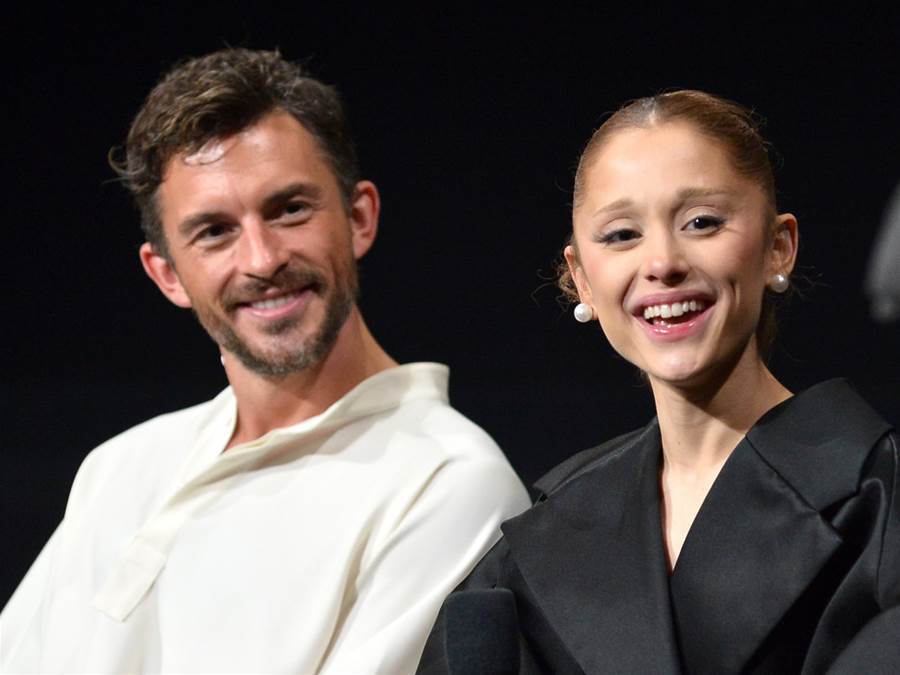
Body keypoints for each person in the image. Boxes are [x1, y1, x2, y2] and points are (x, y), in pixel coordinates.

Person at [1, 48, 529, 674]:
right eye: (214, 231)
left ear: (359, 218)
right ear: (166, 274)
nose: (261, 259)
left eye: (289, 210)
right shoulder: (119, 466)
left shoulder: (448, 483)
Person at [419, 91, 900, 674]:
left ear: (779, 247)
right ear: (582, 279)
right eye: (622, 234)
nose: (663, 262)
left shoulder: (879, 499)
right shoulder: (542, 542)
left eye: (702, 223)